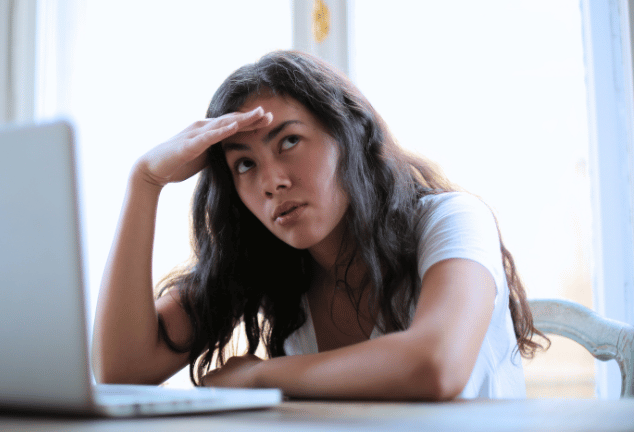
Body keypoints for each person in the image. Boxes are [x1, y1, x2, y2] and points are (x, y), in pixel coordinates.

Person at [92, 50, 546, 400]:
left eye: (289, 141)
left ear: (349, 136)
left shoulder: (452, 220)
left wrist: (258, 376)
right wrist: (145, 181)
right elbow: (122, 370)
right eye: (245, 165)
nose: (272, 181)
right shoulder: (267, 260)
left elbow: (437, 364)